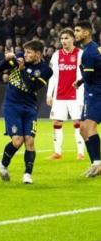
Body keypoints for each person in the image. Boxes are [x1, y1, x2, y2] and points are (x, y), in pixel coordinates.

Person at [0, 40, 52, 185]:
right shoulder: (19, 58)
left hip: (29, 108)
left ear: (38, 54)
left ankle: (27, 174)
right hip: (12, 106)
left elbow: (32, 86)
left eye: (29, 52)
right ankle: (3, 164)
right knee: (17, 141)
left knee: (30, 141)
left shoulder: (46, 70)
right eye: (25, 52)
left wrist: (21, 70)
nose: (25, 55)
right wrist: (7, 59)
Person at [46, 28, 85, 160]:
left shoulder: (80, 54)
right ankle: (57, 152)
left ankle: (80, 152)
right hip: (59, 95)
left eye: (66, 38)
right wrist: (49, 94)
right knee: (57, 122)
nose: (63, 41)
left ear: (73, 39)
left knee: (78, 122)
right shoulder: (56, 55)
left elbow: (86, 75)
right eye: (62, 38)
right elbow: (52, 76)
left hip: (76, 95)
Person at [73, 21, 101, 177]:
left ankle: (98, 164)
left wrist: (81, 73)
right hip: (91, 93)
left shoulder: (89, 52)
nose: (75, 33)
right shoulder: (94, 48)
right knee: (83, 129)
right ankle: (94, 164)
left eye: (78, 30)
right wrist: (81, 81)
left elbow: (89, 75)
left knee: (90, 128)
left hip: (96, 94)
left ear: (86, 33)